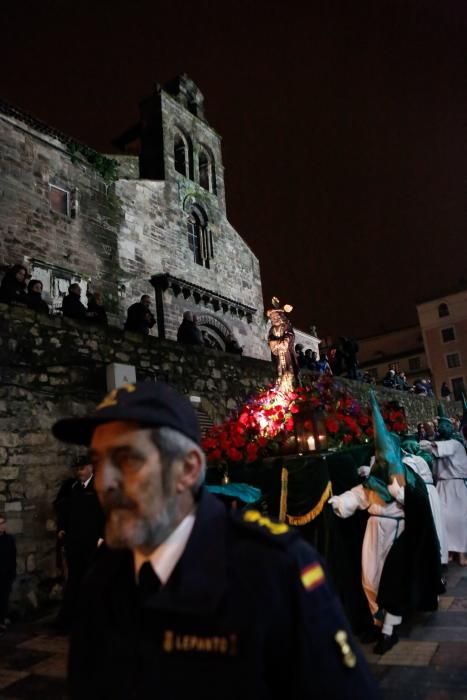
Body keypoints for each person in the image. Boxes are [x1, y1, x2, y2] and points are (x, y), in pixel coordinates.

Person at [52, 382, 378, 699]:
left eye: (127, 460)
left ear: (189, 469)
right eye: (98, 462)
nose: (106, 482)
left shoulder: (272, 572)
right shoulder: (104, 574)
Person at [329, 393, 441, 654]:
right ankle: (378, 623)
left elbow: (412, 501)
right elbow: (360, 494)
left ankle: (389, 630)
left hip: (396, 531)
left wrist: (396, 487)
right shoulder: (374, 476)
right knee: (369, 578)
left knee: (390, 581)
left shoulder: (404, 476)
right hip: (373, 529)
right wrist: (340, 501)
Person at [54, 456, 105, 631]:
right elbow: (64, 510)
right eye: (77, 469)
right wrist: (62, 528)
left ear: (91, 468)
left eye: (82, 469)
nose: (79, 472)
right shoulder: (73, 487)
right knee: (74, 580)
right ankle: (68, 620)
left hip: (92, 544)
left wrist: (101, 537)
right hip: (75, 543)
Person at [421, 406, 467, 566]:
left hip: (456, 486)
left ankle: (461, 554)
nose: (442, 428)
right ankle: (448, 551)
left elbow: (437, 449)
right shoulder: (444, 443)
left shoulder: (455, 443)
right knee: (444, 520)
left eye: (445, 425)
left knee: (460, 520)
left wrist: (424, 444)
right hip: (442, 485)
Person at [267, 298, 299, 393]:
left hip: (286, 352)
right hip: (277, 354)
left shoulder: (286, 326)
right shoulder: (272, 329)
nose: (274, 319)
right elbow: (270, 339)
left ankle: (291, 388)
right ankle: (280, 388)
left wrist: (285, 340)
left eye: (276, 317)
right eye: (272, 318)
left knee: (289, 370)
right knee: (279, 371)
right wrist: (273, 343)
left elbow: (290, 335)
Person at [0, 514, 16, 633]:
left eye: (3, 523)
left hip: (6, 575)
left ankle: (1, 619)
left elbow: (12, 557)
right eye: (0, 523)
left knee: (4, 598)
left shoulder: (9, 539)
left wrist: (12, 573)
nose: (2, 526)